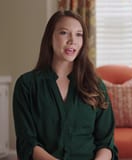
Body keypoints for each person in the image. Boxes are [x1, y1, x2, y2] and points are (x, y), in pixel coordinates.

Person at [13, 10, 118, 160]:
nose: (72, 40)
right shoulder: (26, 86)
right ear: (50, 38)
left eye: (78, 34)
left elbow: (106, 143)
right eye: (64, 33)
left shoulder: (96, 85)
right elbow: (27, 143)